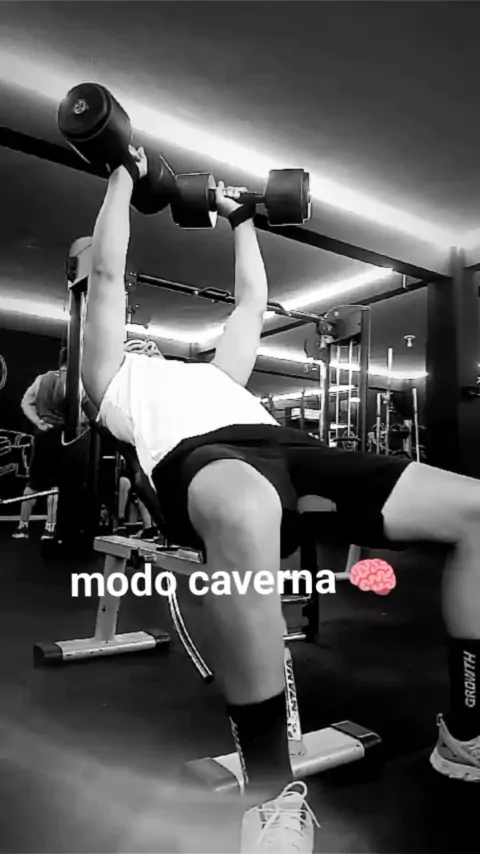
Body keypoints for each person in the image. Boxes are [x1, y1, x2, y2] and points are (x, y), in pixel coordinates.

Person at [81, 147, 480, 853]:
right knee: (247, 511)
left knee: (474, 507)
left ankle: (467, 735)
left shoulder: (219, 374)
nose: (139, 341)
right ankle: (269, 799)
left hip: (287, 450)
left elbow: (251, 304)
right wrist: (121, 173)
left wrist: (240, 219)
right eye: (131, 336)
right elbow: (109, 276)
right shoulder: (110, 381)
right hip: (198, 461)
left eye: (142, 339)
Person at [13, 349, 69, 541]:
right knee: (55, 485)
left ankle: (22, 527)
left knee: (34, 483)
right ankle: (49, 529)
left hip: (43, 435)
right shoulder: (74, 382)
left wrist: (38, 422)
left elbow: (25, 403)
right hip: (62, 436)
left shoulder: (42, 378)